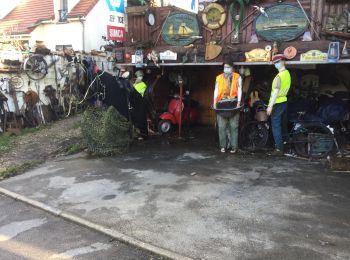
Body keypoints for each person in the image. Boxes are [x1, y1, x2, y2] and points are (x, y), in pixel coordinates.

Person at [213, 59, 242, 153]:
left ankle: (234, 147)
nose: (226, 69)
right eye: (225, 67)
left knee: (234, 127)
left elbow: (240, 89)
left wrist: (238, 101)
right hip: (221, 103)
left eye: (228, 67)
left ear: (232, 68)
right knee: (221, 127)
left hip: (233, 102)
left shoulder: (237, 77)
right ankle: (223, 146)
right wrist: (214, 102)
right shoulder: (219, 77)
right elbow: (216, 90)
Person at [267, 54, 291, 156]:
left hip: (277, 103)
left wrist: (270, 106)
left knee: (276, 126)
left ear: (282, 61)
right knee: (283, 124)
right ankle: (286, 144)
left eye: (277, 62)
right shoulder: (287, 73)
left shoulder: (278, 77)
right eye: (274, 63)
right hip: (284, 102)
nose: (275, 64)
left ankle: (279, 149)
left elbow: (275, 93)